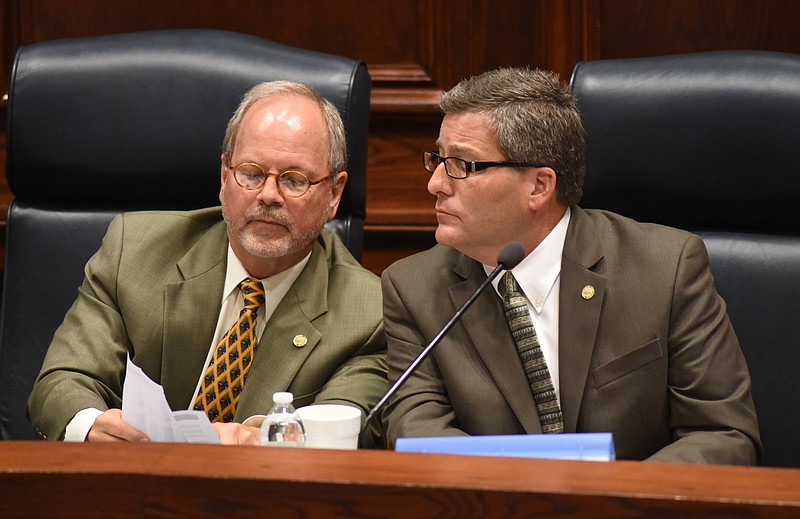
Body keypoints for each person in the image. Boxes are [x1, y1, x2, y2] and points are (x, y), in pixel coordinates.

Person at [380, 67, 761, 464]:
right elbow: (417, 434)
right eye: (438, 159)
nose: (436, 183)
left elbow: (724, 434)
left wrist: (608, 501)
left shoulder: (667, 269)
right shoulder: (413, 289)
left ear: (539, 186)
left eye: (462, 165)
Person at [28, 81, 387, 447]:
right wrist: (91, 425)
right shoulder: (134, 251)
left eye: (294, 180)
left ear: (334, 194)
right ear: (224, 176)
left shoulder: (369, 315)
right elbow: (62, 382)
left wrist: (262, 441)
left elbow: (343, 433)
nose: (268, 195)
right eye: (250, 173)